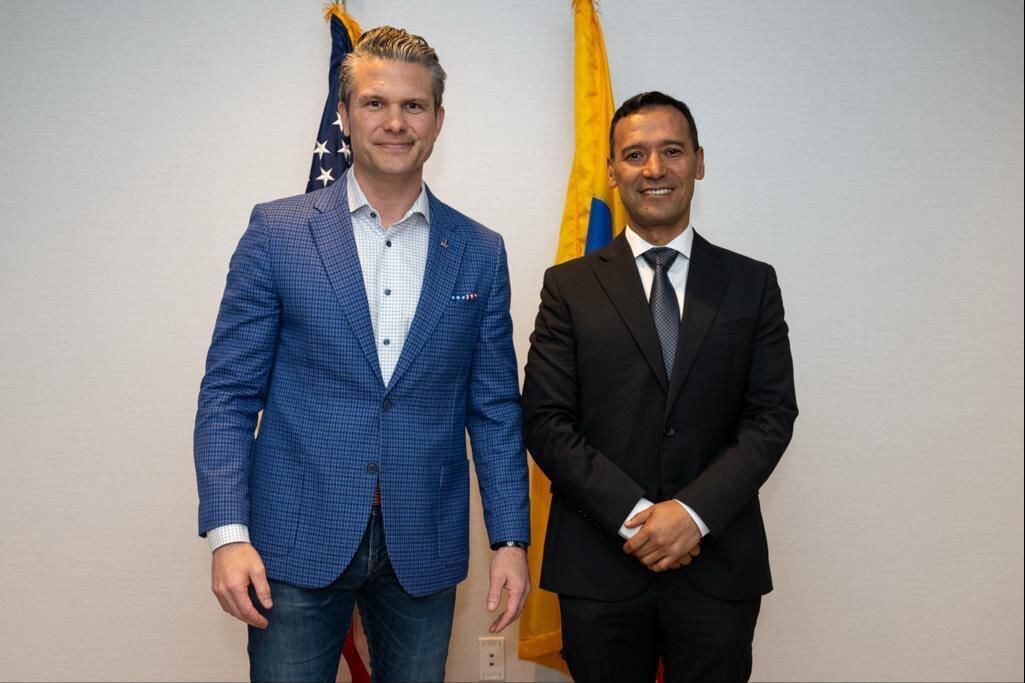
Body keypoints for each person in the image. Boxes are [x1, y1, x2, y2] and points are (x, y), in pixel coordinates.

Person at [194, 26, 530, 683]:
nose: (395, 122)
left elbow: (493, 411)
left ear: (437, 121)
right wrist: (227, 535)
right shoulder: (278, 231)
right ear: (344, 114)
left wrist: (510, 541)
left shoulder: (479, 249)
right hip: (293, 539)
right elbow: (228, 396)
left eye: (413, 106)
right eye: (375, 103)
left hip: (424, 542)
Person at [522, 91, 797, 683]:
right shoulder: (567, 287)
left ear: (698, 161)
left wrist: (692, 515)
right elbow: (546, 420)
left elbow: (771, 416)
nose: (654, 169)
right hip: (599, 566)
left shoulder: (752, 284)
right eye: (636, 154)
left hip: (718, 562)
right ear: (613, 170)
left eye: (671, 151)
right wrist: (638, 517)